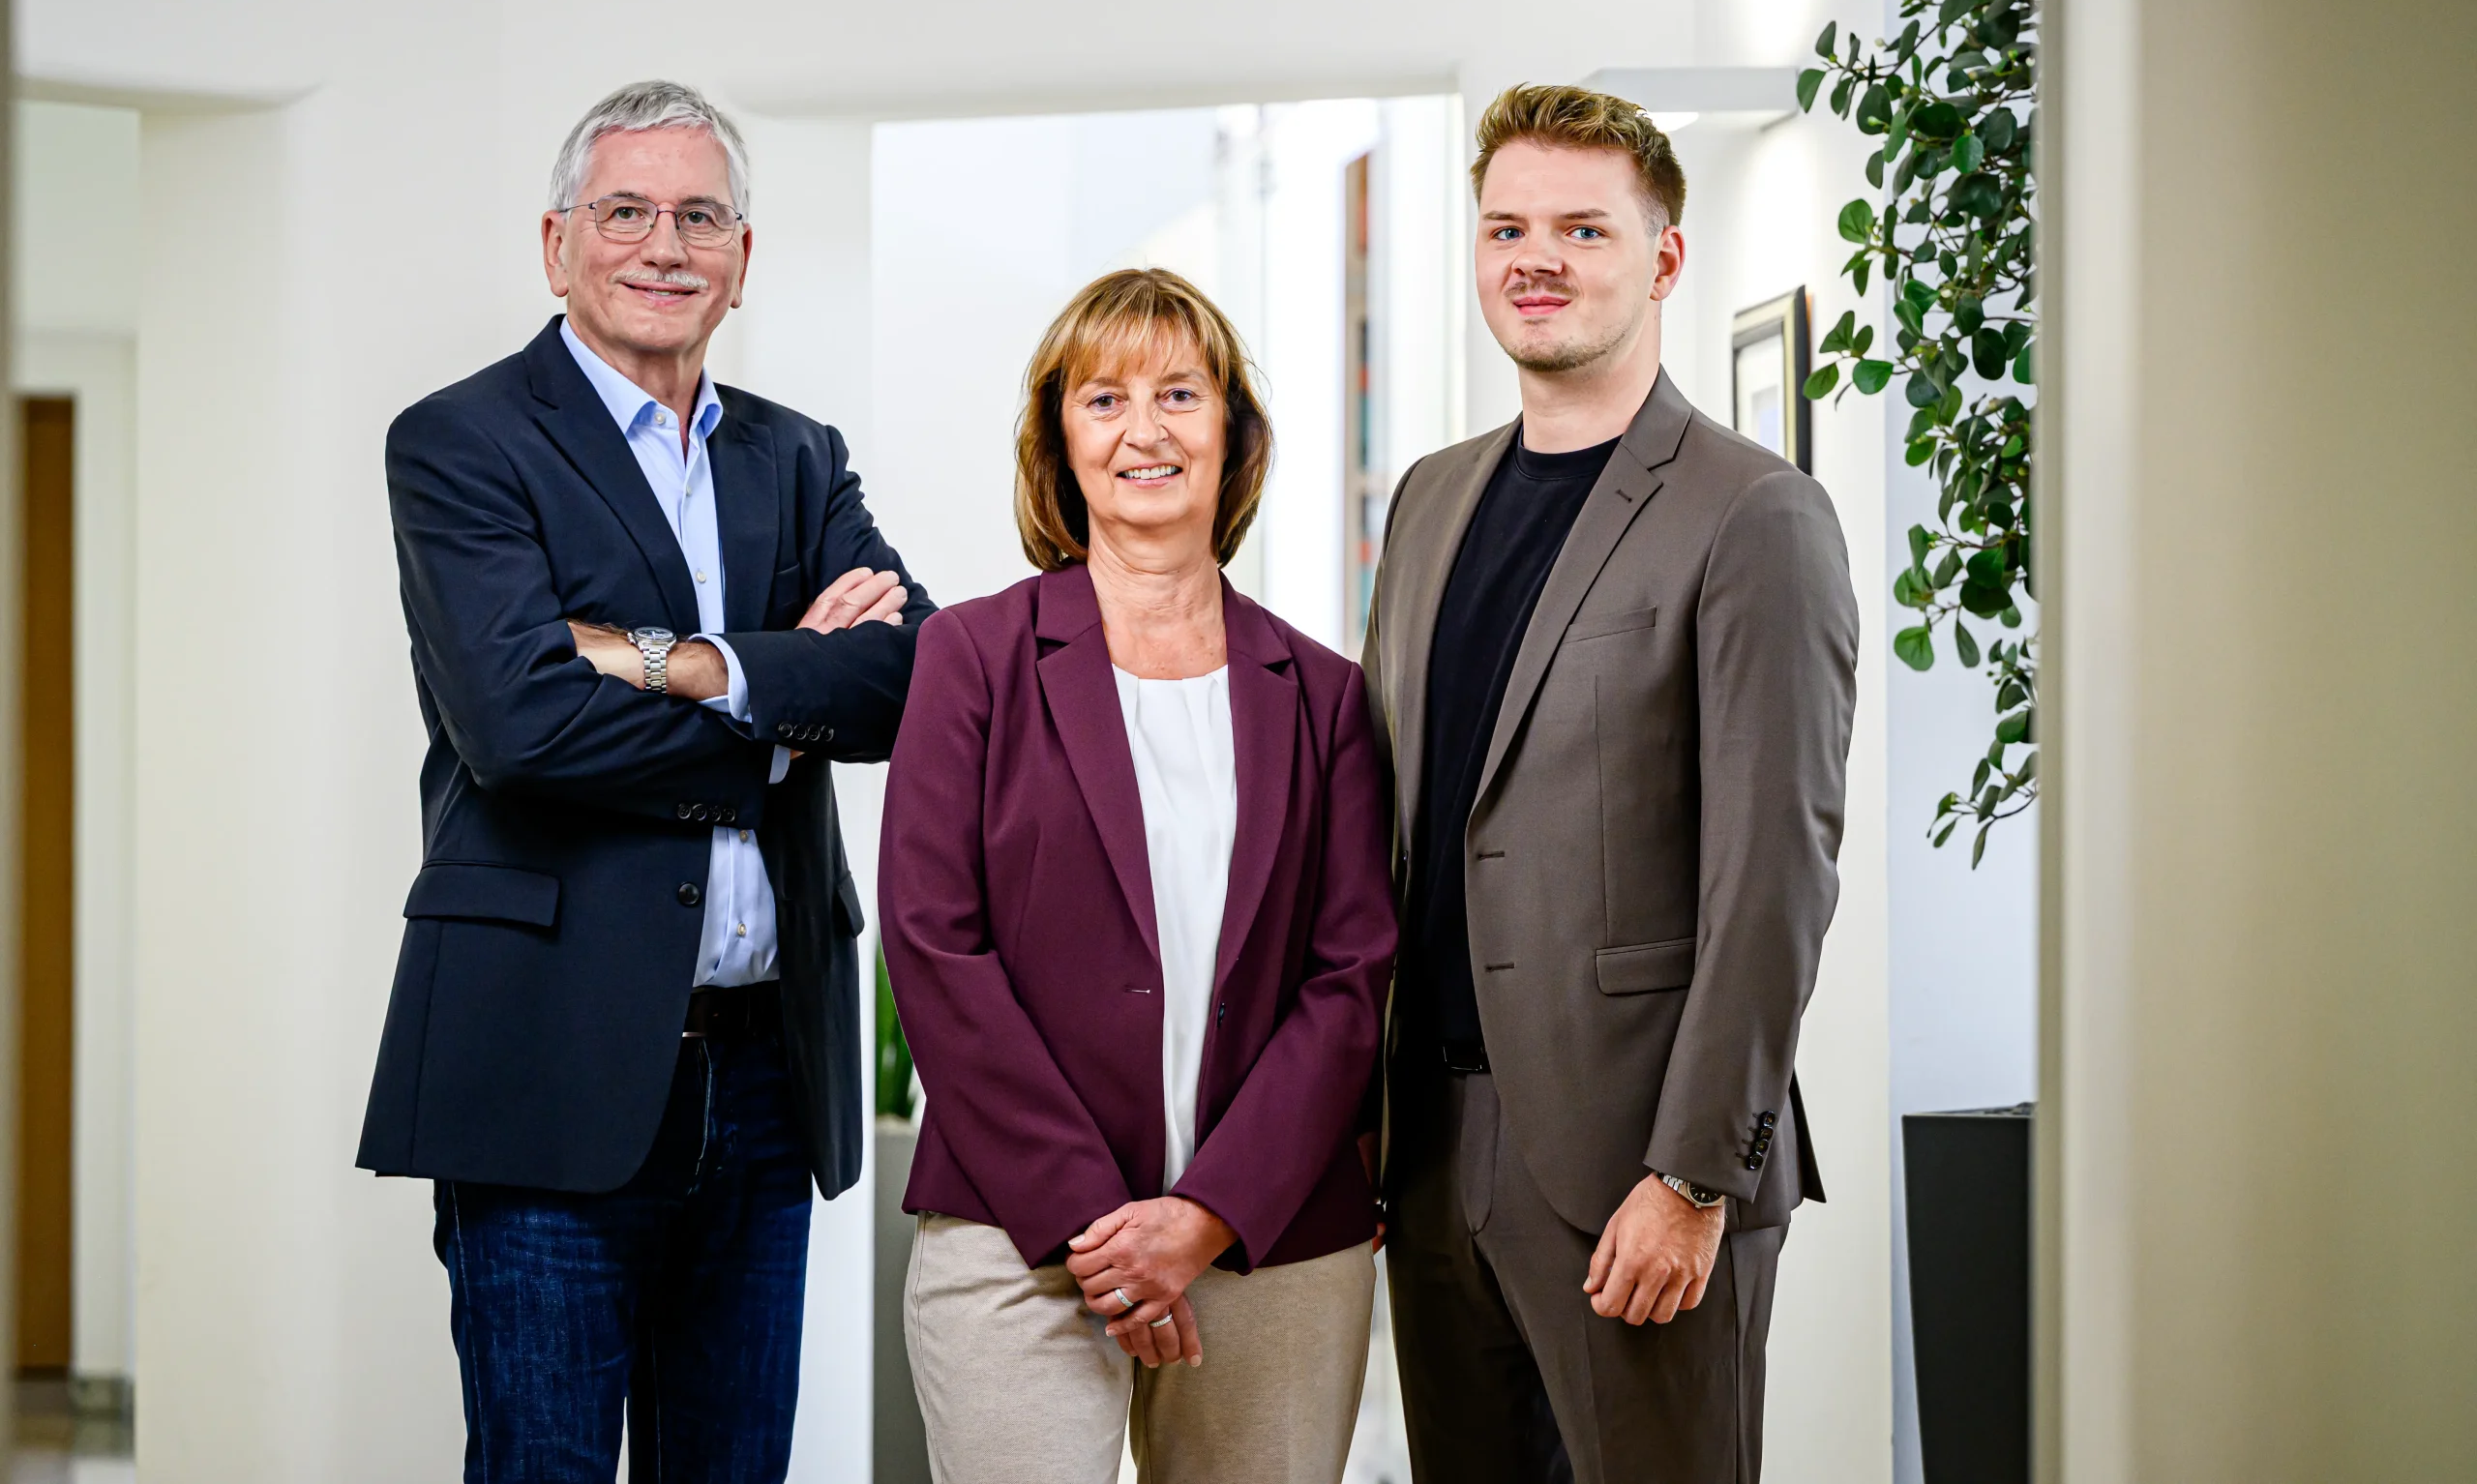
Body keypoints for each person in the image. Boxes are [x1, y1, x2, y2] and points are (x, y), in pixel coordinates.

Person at [356, 79, 934, 1483]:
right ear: (558, 244)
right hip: (547, 1056)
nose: (663, 246)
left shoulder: (798, 456)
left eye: (698, 216)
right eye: (625, 212)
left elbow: (909, 676)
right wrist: (784, 692)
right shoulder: (461, 441)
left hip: (766, 1065)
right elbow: (520, 727)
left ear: (743, 255)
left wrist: (670, 662)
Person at [1365, 84, 1860, 1483]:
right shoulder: (1430, 499)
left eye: (1583, 229)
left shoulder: (1752, 510)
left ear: (1662, 258)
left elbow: (1774, 873)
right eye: (1506, 228)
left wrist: (1695, 1172)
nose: (1536, 259)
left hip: (1636, 1162)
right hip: (1430, 1149)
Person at [879, 268, 1397, 1484]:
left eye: (1179, 393)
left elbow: (1351, 978)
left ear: (1232, 432)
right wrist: (1099, 1230)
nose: (1144, 429)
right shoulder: (970, 657)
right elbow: (934, 945)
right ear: (1059, 441)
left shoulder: (1325, 695)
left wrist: (1204, 1217)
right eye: (1104, 399)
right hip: (1017, 1237)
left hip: (1269, 1238)